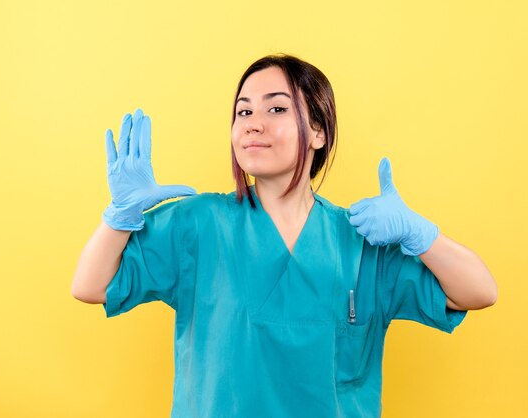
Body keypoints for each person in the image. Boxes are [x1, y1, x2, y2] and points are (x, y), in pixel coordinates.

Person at [71, 54, 497, 418]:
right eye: (243, 111)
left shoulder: (363, 240)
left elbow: (479, 292)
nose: (253, 124)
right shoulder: (198, 225)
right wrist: (118, 218)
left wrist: (421, 235)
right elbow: (90, 286)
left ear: (318, 131)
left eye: (276, 109)